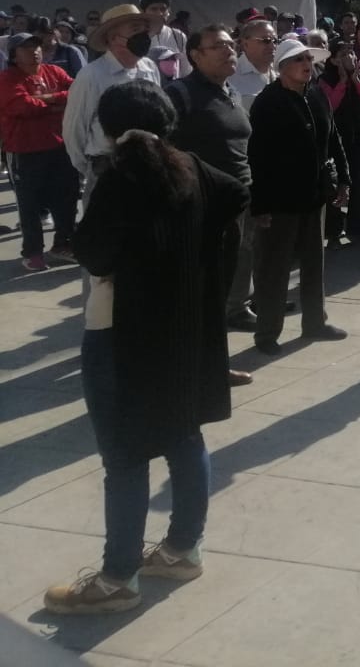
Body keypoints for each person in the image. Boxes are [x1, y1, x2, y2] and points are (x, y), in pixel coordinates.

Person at [42, 81, 250, 615]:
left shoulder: (120, 181)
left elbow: (93, 253)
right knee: (184, 436)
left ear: (108, 131)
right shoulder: (196, 171)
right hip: (184, 332)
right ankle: (183, 548)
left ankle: (117, 579)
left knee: (126, 456)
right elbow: (237, 193)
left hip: (122, 333)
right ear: (167, 124)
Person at [246, 38, 349, 355]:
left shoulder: (317, 95)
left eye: (308, 59)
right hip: (280, 201)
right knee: (274, 270)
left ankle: (315, 322)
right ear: (282, 67)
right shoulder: (267, 103)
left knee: (314, 264)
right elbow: (257, 158)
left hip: (314, 197)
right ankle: (267, 334)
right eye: (298, 60)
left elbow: (333, 138)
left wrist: (343, 180)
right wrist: (260, 205)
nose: (306, 64)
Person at [164, 25, 257, 353]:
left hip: (238, 200)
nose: (229, 51)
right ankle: (200, 360)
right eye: (219, 46)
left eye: (232, 45)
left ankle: (214, 356)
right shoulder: (181, 94)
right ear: (195, 55)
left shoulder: (230, 91)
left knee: (228, 279)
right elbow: (163, 150)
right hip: (202, 205)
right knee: (204, 286)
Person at [62, 4, 160, 205]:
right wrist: (91, 166)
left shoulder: (149, 68)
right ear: (114, 38)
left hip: (148, 164)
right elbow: (75, 129)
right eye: (135, 30)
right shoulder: (92, 76)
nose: (143, 35)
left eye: (144, 30)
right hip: (107, 166)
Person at [0, 35, 79, 272]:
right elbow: (21, 106)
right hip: (24, 150)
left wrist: (47, 99)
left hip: (59, 146)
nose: (34, 51)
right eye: (25, 48)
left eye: (35, 46)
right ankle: (33, 252)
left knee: (66, 199)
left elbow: (77, 91)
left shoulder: (53, 71)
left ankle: (62, 245)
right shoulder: (6, 78)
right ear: (14, 55)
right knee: (30, 205)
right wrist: (57, 104)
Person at [319, 40, 360, 249]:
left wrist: (356, 80)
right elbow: (330, 106)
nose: (350, 58)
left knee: (359, 184)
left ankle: (355, 228)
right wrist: (343, 82)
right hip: (337, 140)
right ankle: (333, 232)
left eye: (352, 53)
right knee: (337, 185)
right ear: (334, 60)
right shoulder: (325, 79)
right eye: (344, 54)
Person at [140, 0, 190, 79]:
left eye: (163, 9)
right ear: (144, 13)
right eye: (153, 9)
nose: (159, 13)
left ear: (168, 12)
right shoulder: (137, 36)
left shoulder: (178, 36)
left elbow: (186, 69)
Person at [231, 19, 277, 112]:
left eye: (275, 41)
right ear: (245, 44)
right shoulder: (230, 75)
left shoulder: (280, 71)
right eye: (266, 40)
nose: (273, 46)